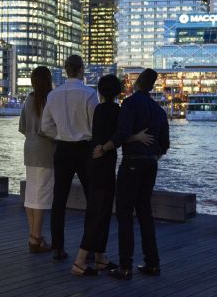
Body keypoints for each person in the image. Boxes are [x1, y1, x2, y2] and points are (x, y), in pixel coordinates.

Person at [94, 68, 169, 280]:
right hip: (150, 165)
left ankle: (125, 266)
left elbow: (122, 134)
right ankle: (152, 263)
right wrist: (153, 157)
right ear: (152, 87)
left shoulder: (129, 104)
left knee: (125, 214)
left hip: (132, 163)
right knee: (145, 212)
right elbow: (164, 145)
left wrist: (105, 148)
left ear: (136, 83)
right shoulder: (159, 111)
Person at [40, 55, 98, 261]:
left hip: (63, 149)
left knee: (59, 199)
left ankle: (58, 247)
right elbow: (95, 125)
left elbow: (44, 126)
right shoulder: (90, 94)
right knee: (92, 198)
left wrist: (60, 135)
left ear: (66, 70)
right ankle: (89, 248)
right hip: (84, 149)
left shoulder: (53, 95)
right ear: (81, 70)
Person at [18, 66, 56, 254]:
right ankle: (36, 238)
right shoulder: (50, 99)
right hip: (45, 151)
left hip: (29, 149)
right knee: (42, 195)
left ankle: (33, 236)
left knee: (31, 194)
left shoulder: (29, 99)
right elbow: (50, 129)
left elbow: (23, 126)